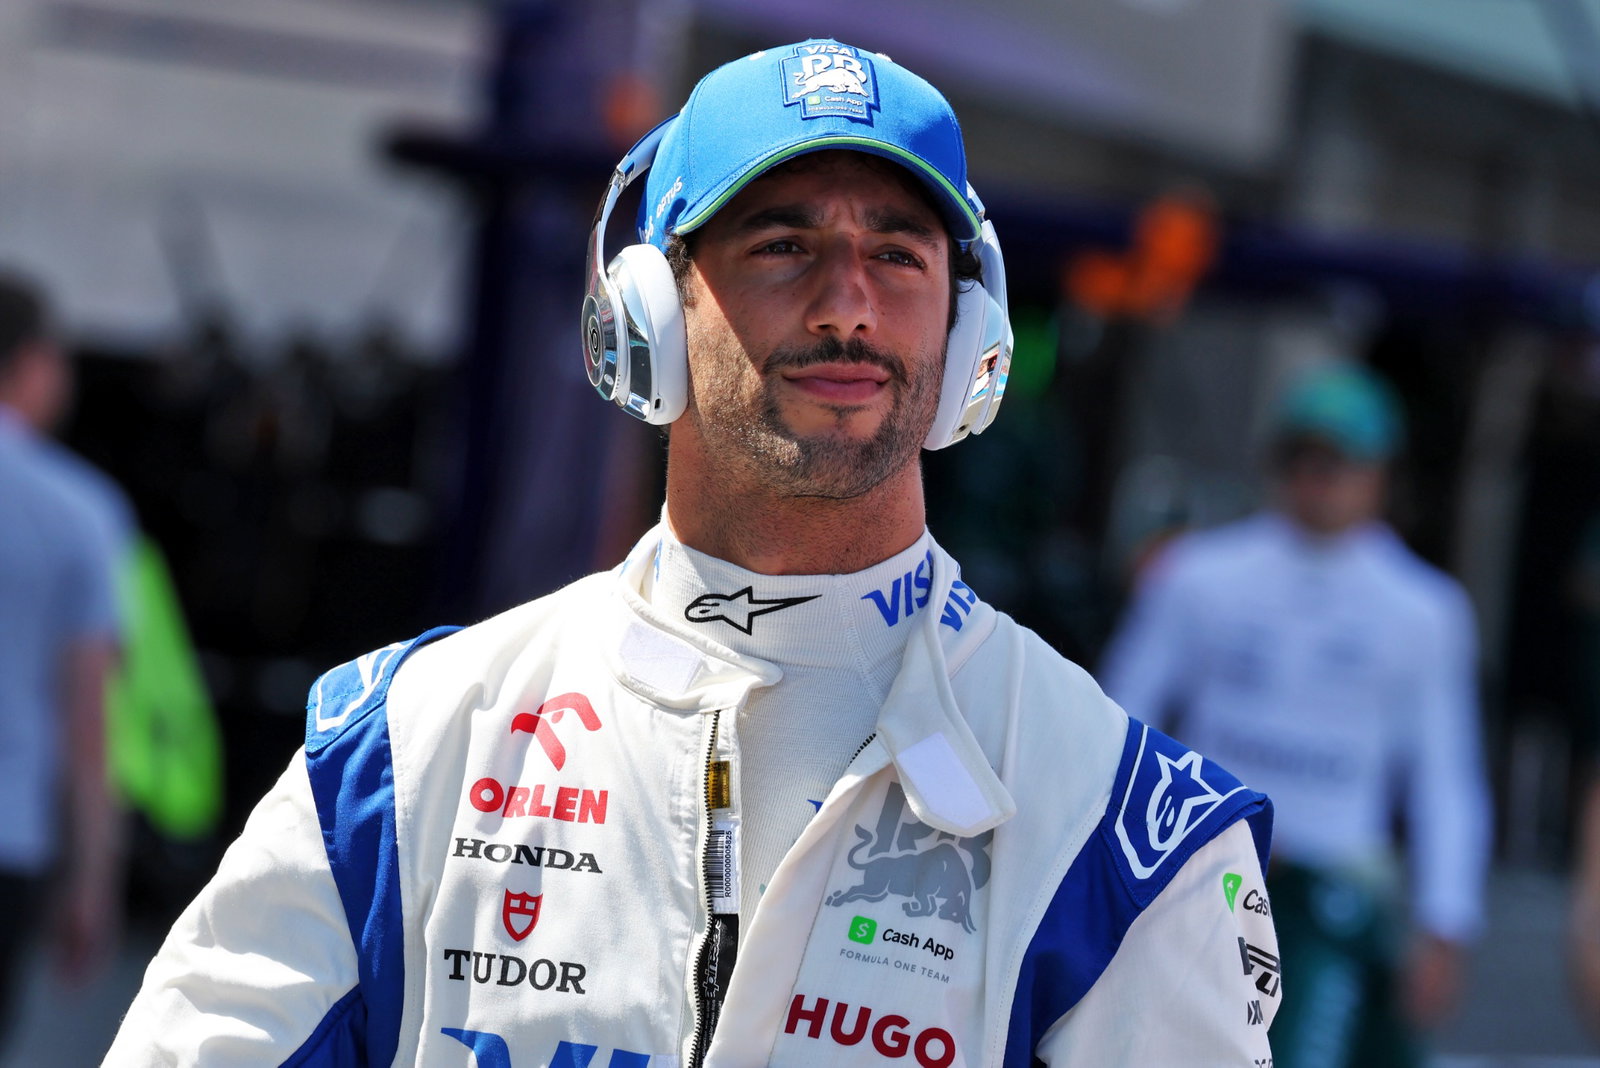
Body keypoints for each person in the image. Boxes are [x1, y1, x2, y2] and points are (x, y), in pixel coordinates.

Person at [107, 40, 1279, 1065]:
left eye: (898, 254)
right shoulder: (403, 749)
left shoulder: (1130, 837)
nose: (847, 307)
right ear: (644, 316)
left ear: (972, 333)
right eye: (782, 245)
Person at [1099, 363, 1491, 1067]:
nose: (1320, 481)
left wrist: (1444, 923)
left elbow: (1444, 773)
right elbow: (1119, 717)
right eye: (1304, 460)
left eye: (1340, 463)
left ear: (1379, 475)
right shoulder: (1197, 573)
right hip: (1205, 868)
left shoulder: (1424, 609)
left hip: (1334, 885)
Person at [0, 272, 125, 1036]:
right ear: (35, 362)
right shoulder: (80, 511)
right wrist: (93, 880)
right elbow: (88, 719)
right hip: (9, 837)